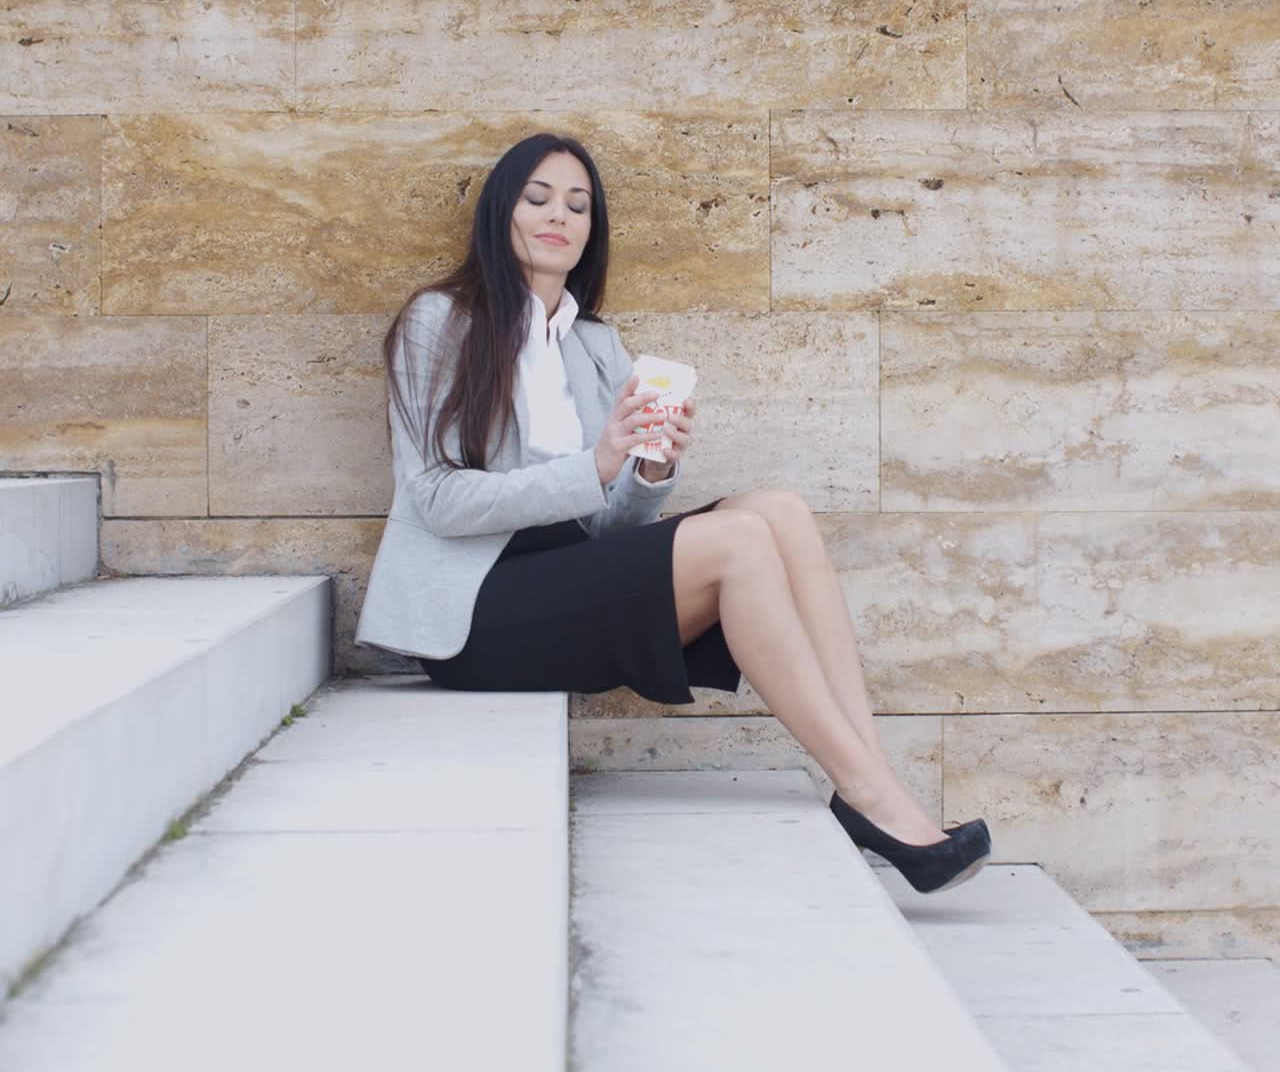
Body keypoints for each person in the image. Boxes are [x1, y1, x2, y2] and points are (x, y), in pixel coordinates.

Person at [354, 132, 991, 893]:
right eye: (538, 198)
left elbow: (607, 533)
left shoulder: (595, 346)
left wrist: (649, 470)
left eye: (579, 204)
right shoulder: (440, 321)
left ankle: (874, 786)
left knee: (780, 512)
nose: (560, 215)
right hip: (475, 610)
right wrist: (593, 463)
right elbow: (435, 497)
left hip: (561, 582)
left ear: (593, 230)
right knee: (736, 543)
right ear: (502, 212)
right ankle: (872, 800)